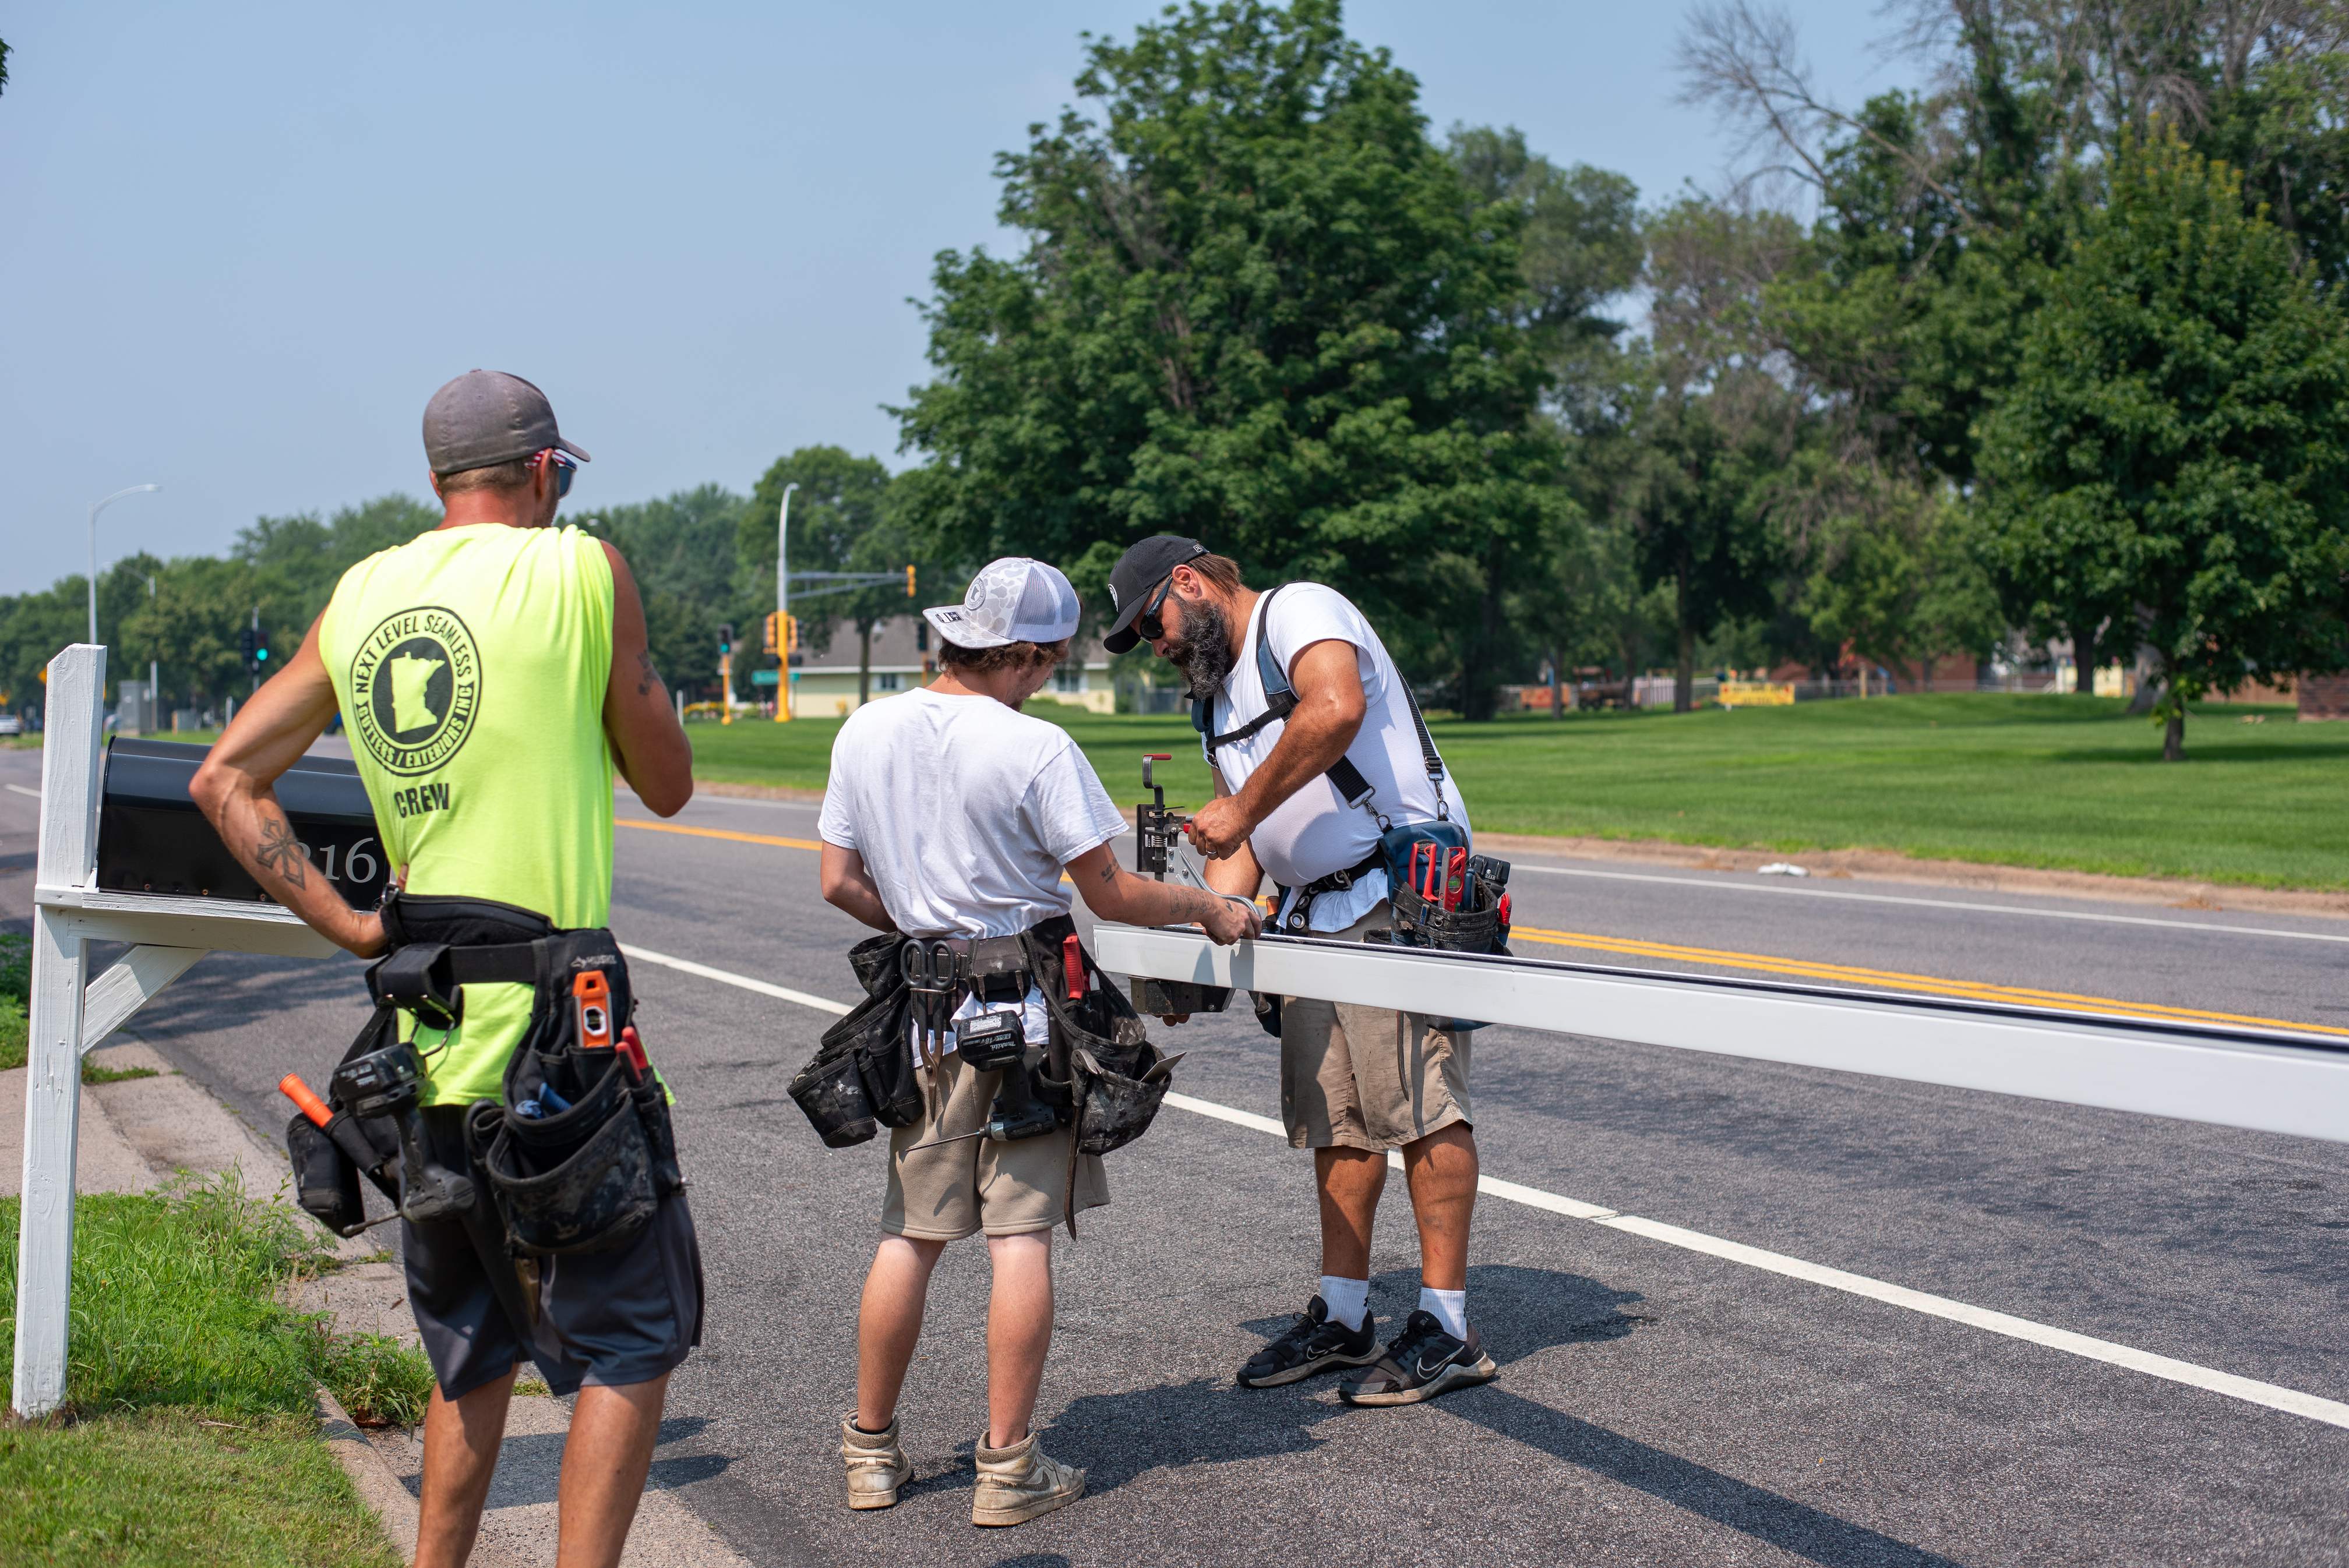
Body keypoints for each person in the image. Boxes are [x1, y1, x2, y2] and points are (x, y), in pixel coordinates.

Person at [193, 370, 699, 1568]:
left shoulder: (362, 593)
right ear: (544, 471)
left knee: (472, 1351)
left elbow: (224, 779)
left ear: (435, 481)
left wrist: (352, 925)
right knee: (632, 1336)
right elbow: (669, 781)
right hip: (560, 1051)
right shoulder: (583, 571)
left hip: (423, 1043)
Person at [817, 557, 1260, 1527]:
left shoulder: (865, 730)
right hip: (1025, 1017)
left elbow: (839, 881)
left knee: (909, 1238)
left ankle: (869, 1456)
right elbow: (1112, 894)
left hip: (924, 1018)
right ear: (1020, 654)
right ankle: (1008, 1468)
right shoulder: (1035, 748)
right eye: (1051, 660)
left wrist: (928, 931)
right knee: (1018, 1241)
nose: (1050, 677)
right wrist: (1208, 908)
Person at [1100, 535, 1497, 1405]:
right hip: (1313, 915)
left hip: (1396, 898)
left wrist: (1240, 809)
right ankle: (1346, 1315)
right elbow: (1239, 851)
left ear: (1189, 582)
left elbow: (1336, 708)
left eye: (1153, 625)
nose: (1156, 646)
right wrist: (1195, 952)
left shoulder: (1299, 611)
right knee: (1336, 1120)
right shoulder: (1213, 696)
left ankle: (1448, 1327)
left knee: (1422, 1108)